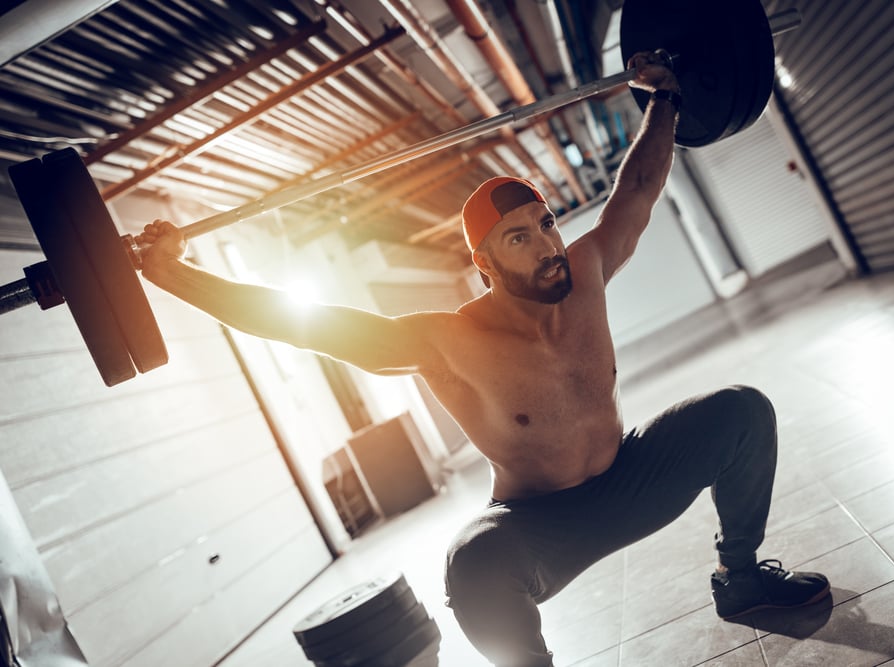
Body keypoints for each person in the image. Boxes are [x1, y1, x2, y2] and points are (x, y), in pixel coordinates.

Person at [138, 50, 830, 667]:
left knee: (742, 412)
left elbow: (639, 189)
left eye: (546, 224)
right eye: (518, 239)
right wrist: (180, 276)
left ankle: (739, 578)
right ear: (484, 263)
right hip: (539, 526)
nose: (547, 245)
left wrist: (666, 98)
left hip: (629, 475)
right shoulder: (447, 339)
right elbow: (303, 325)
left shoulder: (584, 272)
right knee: (471, 566)